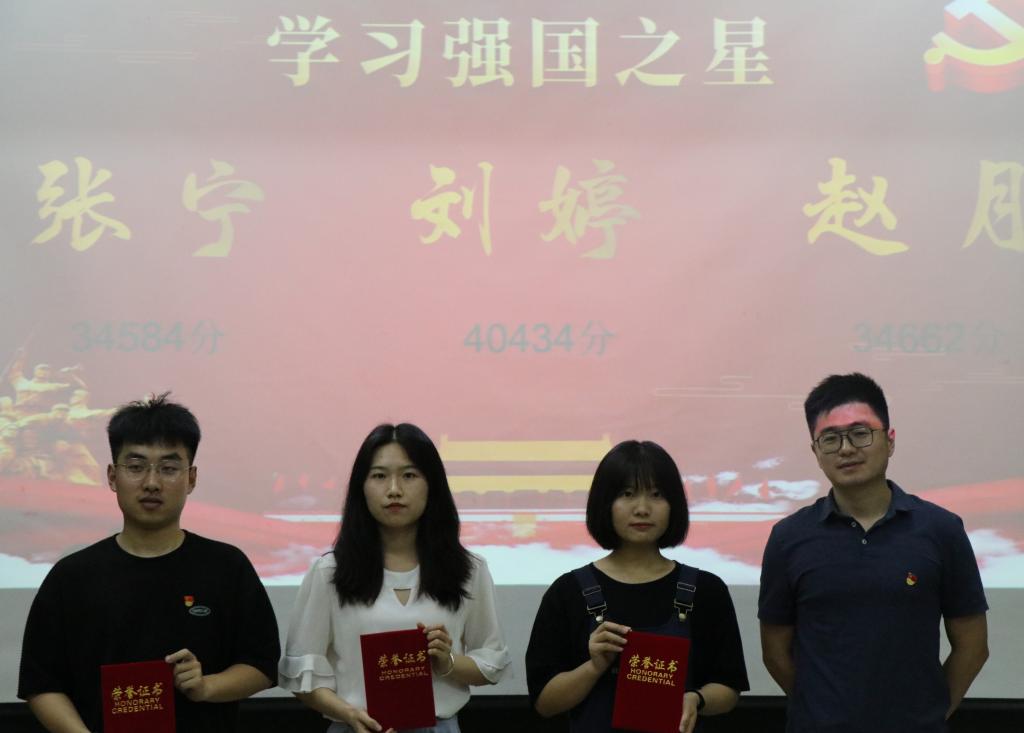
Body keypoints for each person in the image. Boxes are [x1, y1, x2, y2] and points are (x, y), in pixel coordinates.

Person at [17, 393, 280, 733]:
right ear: (112, 476)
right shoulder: (72, 576)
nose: (152, 483)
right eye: (136, 467)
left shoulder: (227, 567)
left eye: (168, 468)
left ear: (191, 478)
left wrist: (207, 686)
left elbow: (261, 664)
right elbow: (41, 683)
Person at [758, 373, 989, 733]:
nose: (846, 449)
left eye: (860, 433)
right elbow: (775, 652)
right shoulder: (789, 538)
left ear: (890, 440)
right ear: (816, 452)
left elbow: (973, 646)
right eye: (830, 438)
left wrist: (930, 714)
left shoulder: (941, 529)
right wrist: (819, 711)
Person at [279, 423, 510, 733]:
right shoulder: (329, 572)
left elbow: (491, 663)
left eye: (409, 475)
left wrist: (448, 662)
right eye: (379, 476)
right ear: (361, 487)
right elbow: (301, 676)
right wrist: (349, 714)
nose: (394, 490)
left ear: (432, 484)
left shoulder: (469, 570)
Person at [526, 440, 748, 733]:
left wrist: (697, 699)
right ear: (605, 503)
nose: (642, 509)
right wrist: (593, 667)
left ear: (674, 504)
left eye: (656, 495)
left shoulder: (707, 590)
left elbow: (729, 688)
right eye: (627, 494)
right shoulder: (568, 592)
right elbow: (545, 703)